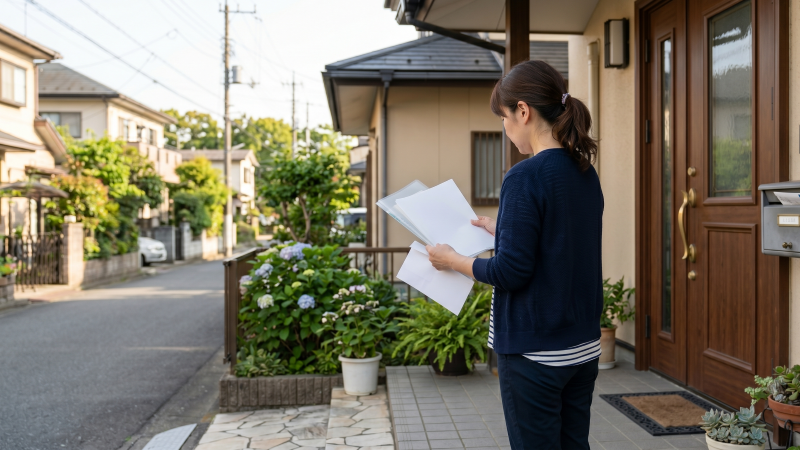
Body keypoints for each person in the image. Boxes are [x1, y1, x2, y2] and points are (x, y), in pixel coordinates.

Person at [425, 60, 603, 450]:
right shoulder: (584, 173)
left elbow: (510, 272)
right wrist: (503, 227)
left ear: (523, 111)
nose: (505, 129)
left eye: (505, 117)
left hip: (534, 350)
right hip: (582, 346)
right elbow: (563, 241)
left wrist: (451, 259)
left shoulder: (524, 176)